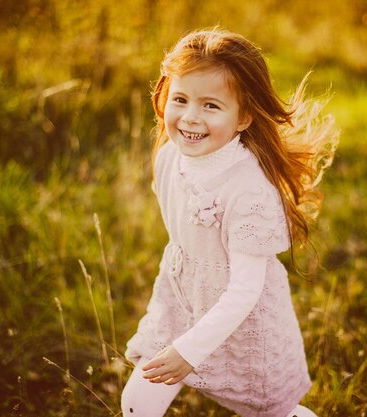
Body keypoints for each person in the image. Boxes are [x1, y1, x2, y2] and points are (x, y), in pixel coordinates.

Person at [121, 28, 338, 417]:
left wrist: (189, 351)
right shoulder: (171, 156)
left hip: (241, 323)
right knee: (137, 404)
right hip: (181, 301)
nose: (189, 117)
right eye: (181, 99)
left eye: (211, 106)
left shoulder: (249, 192)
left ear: (244, 117)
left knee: (269, 411)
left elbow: (244, 291)